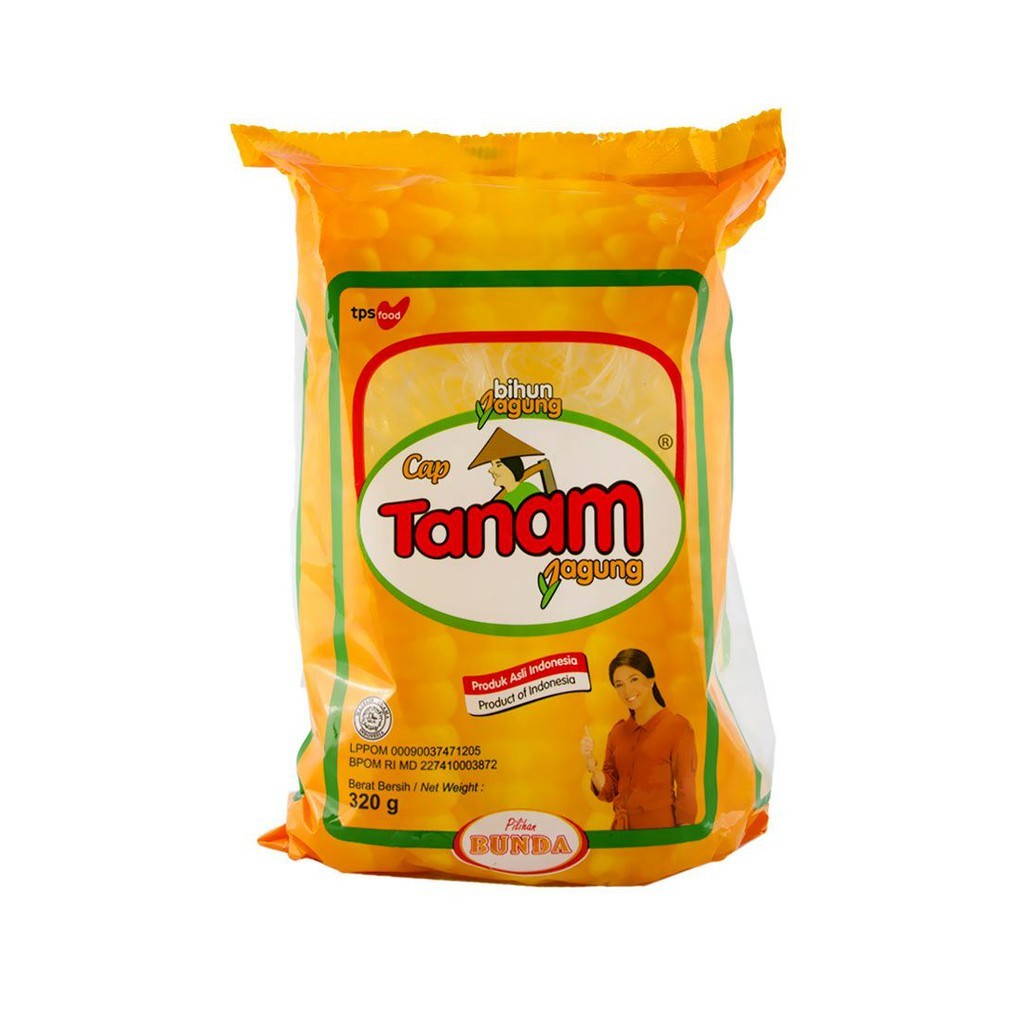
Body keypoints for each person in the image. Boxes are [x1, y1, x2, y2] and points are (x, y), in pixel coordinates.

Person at [581, 649, 697, 829]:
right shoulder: (617, 733)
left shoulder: (678, 727)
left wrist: (684, 838)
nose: (627, 691)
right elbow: (609, 791)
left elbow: (686, 787)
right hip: (622, 835)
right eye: (619, 685)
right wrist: (591, 765)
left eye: (634, 679)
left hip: (661, 834)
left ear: (651, 680)